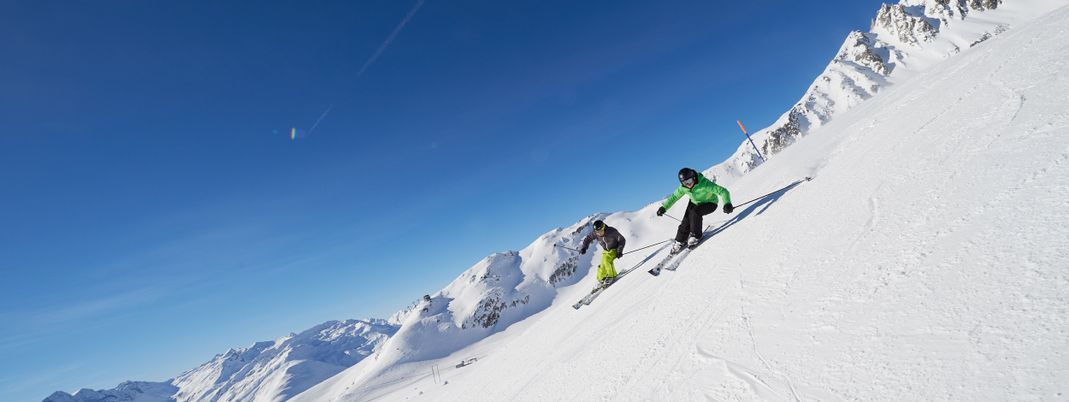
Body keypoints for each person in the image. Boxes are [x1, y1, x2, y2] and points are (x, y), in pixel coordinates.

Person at [656, 168, 733, 253]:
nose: (688, 184)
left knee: (695, 212)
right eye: (685, 182)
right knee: (686, 220)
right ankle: (680, 241)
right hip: (695, 202)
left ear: (693, 177)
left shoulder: (704, 184)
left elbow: (723, 191)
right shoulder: (683, 188)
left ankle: (696, 236)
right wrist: (664, 208)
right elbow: (674, 197)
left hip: (710, 203)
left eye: (689, 181)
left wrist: (727, 203)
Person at [579, 220, 626, 289]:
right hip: (606, 251)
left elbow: (622, 240)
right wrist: (584, 248)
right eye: (597, 232)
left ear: (604, 227)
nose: (599, 233)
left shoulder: (612, 231)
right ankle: (602, 279)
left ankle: (612, 276)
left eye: (600, 231)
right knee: (602, 265)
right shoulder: (596, 233)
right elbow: (588, 239)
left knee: (607, 260)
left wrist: (619, 251)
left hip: (614, 249)